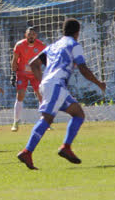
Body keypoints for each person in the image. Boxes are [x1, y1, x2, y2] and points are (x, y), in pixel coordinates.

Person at [17, 18, 106, 170]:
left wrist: (43, 81)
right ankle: (27, 151)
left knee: (78, 113)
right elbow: (83, 68)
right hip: (56, 85)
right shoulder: (74, 45)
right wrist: (99, 83)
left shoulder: (54, 45)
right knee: (47, 118)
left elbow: (33, 63)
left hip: (52, 85)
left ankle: (66, 147)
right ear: (77, 32)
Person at [10, 27, 46, 131]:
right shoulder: (20, 45)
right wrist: (13, 74)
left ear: (36, 36)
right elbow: (15, 60)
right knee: (20, 94)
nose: (31, 36)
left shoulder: (41, 45)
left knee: (40, 95)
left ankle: (44, 121)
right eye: (29, 34)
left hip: (35, 73)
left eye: (33, 34)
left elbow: (46, 59)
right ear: (26, 35)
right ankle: (16, 122)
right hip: (22, 73)